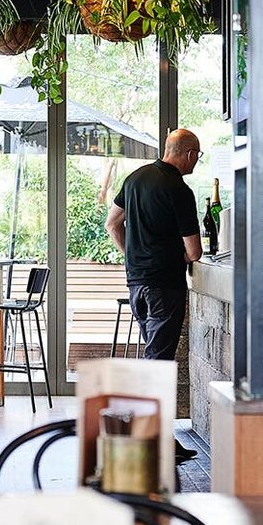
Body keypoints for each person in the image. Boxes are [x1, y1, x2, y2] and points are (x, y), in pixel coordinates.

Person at [104, 128, 203, 464]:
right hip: (165, 286)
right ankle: (147, 439)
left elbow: (112, 224)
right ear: (188, 154)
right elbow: (194, 252)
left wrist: (133, 256)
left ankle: (155, 436)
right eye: (197, 156)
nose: (196, 163)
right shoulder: (179, 189)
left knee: (154, 359)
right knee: (158, 365)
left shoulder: (135, 179)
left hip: (137, 285)